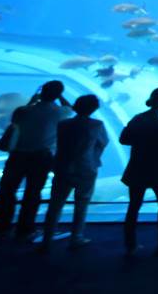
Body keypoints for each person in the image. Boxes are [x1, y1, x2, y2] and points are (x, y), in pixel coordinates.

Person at [0, 80, 72, 243]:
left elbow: (18, 118)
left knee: (7, 191)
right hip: (41, 157)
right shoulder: (59, 112)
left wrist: (32, 100)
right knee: (32, 193)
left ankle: (2, 227)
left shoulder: (22, 111)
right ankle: (25, 229)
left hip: (17, 156)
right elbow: (70, 108)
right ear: (57, 95)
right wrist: (61, 96)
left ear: (41, 92)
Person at [41, 94, 108, 251]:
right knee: (82, 204)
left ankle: (47, 239)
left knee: (55, 204)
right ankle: (76, 237)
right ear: (94, 109)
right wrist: (94, 158)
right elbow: (102, 143)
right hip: (86, 167)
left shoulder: (63, 124)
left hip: (63, 167)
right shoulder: (97, 124)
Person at [120, 87, 158, 256]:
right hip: (157, 168)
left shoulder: (138, 118)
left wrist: (141, 142)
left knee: (134, 207)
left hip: (137, 167)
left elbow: (123, 139)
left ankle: (130, 245)